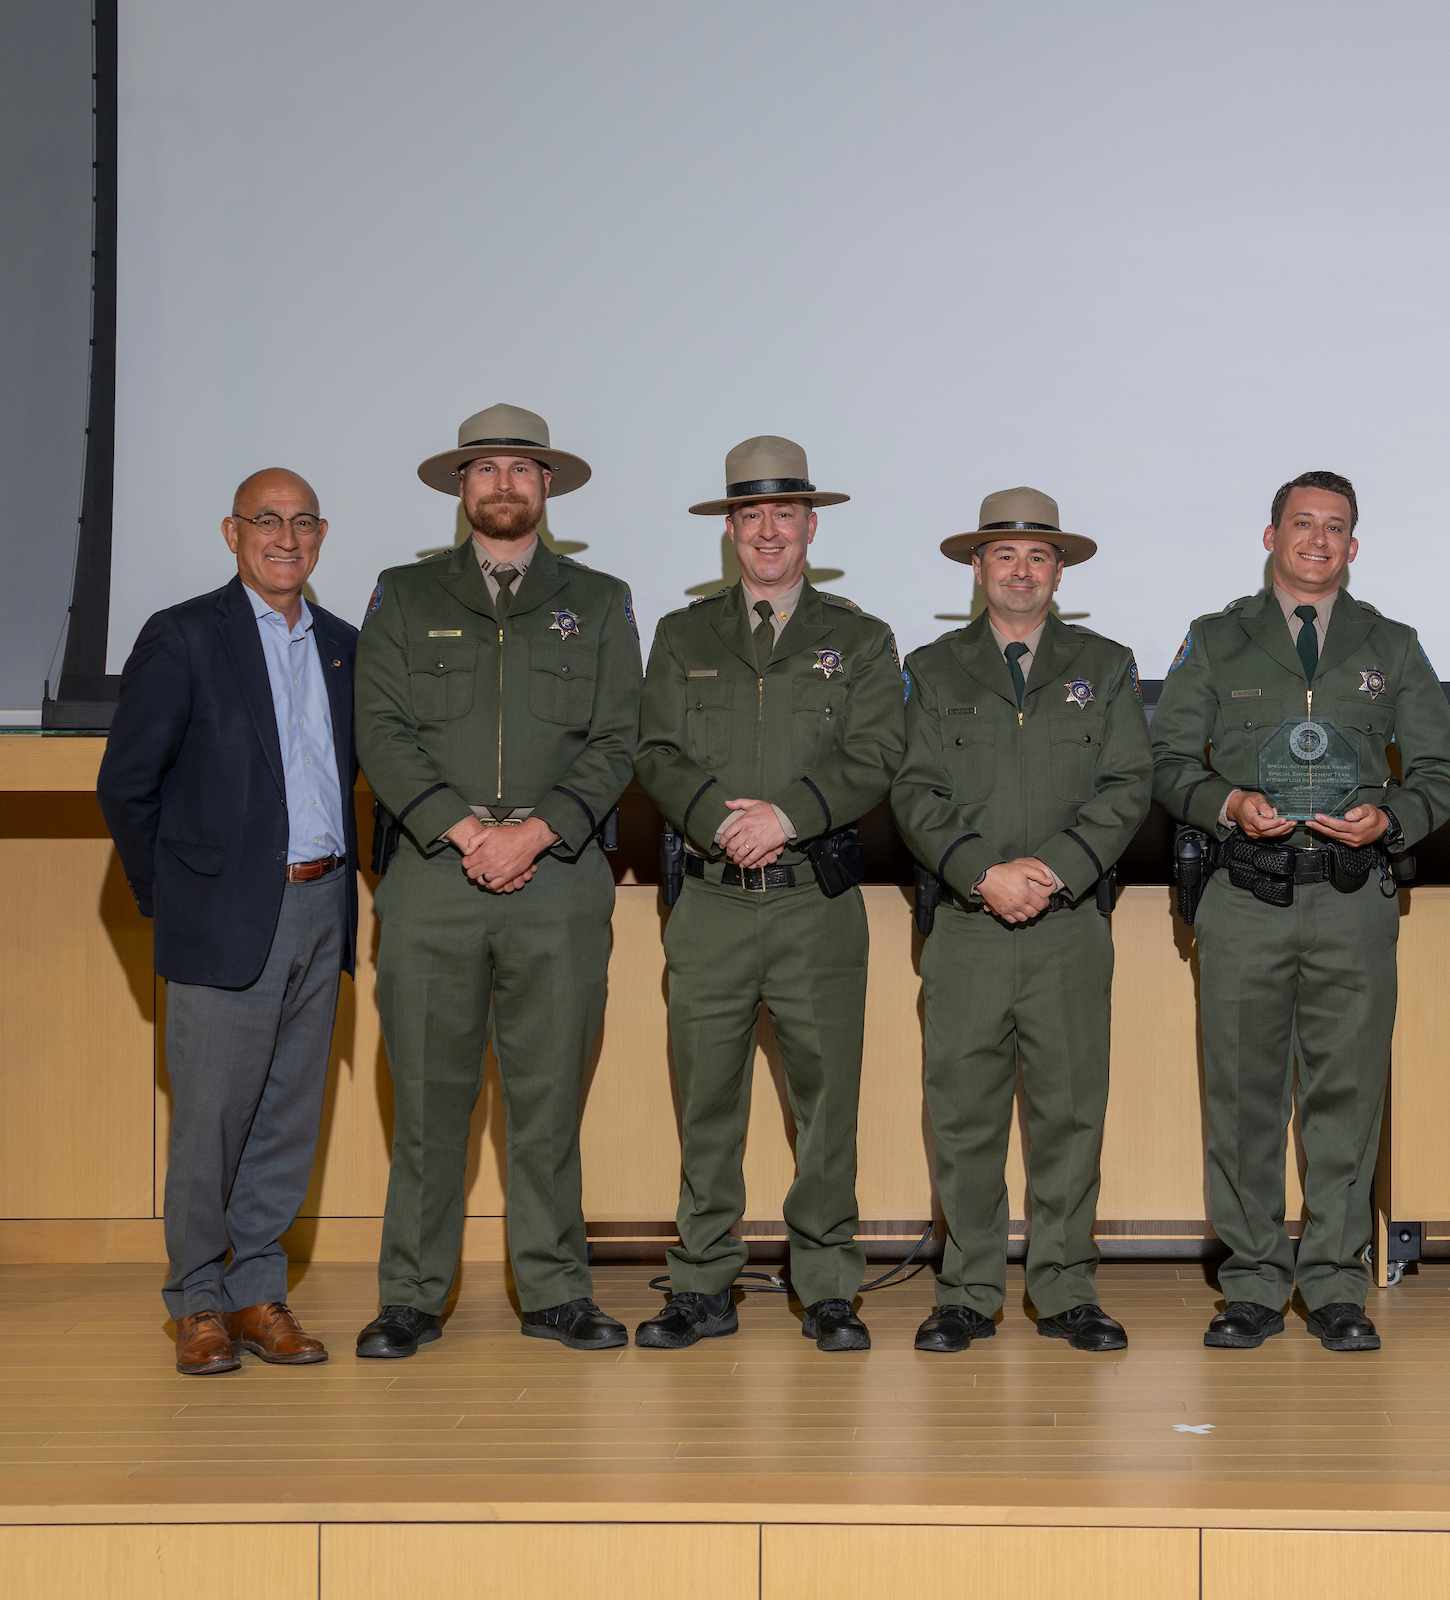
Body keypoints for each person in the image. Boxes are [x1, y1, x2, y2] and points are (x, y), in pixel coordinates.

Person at [1150, 471, 1450, 1352]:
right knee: (1244, 1095)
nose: (1318, 540)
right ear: (1271, 536)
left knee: (1346, 1092)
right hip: (1243, 895)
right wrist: (1225, 802)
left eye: (1336, 528)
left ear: (1354, 547)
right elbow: (1166, 758)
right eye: (1302, 524)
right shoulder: (1217, 640)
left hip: (1349, 897)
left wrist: (1391, 818)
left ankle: (1333, 1281)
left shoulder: (1391, 644)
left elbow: (1444, 770)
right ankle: (1251, 1281)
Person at [351, 403, 641, 1359]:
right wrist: (466, 830)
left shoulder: (599, 601)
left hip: (558, 883)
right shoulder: (403, 594)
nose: (505, 484)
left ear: (546, 487)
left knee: (548, 1099)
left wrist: (538, 833)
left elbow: (617, 740)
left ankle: (555, 1290)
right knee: (430, 1101)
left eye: (523, 469)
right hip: (434, 882)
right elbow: (381, 734)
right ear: (459, 486)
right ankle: (412, 1296)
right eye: (487, 469)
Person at [630, 437, 903, 1352]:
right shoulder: (683, 635)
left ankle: (826, 1283)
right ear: (731, 532)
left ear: (811, 525)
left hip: (811, 904)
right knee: (707, 1100)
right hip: (709, 903)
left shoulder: (860, 639)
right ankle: (701, 1282)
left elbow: (874, 754)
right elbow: (657, 751)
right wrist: (718, 818)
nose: (769, 532)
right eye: (751, 516)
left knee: (825, 1104)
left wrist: (786, 818)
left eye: (785, 514)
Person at [98, 469, 356, 1375]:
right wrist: (174, 896)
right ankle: (197, 1303)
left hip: (323, 902)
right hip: (221, 914)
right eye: (266, 522)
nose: (286, 538)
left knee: (287, 1115)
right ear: (232, 532)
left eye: (302, 523)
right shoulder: (182, 637)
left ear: (321, 535)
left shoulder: (341, 644)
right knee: (210, 1119)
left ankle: (256, 1294)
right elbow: (125, 787)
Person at [890, 488, 1153, 1353]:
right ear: (977, 568)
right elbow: (914, 791)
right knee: (963, 1112)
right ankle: (966, 1291)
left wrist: (1053, 871)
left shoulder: (1105, 665)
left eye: (1039, 556)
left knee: (1070, 1112)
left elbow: (1127, 789)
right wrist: (980, 874)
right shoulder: (932, 668)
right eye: (1004, 554)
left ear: (1060, 570)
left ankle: (1067, 1289)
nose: (1021, 570)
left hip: (1068, 924)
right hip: (967, 925)